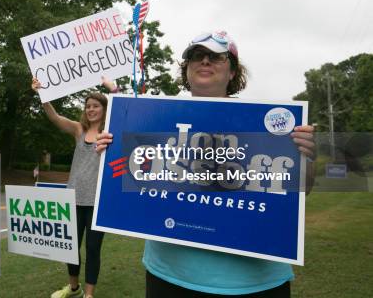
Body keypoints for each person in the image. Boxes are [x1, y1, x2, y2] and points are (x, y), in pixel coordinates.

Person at [96, 31, 316, 298]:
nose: (205, 62)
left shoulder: (266, 125)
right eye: (197, 56)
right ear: (186, 70)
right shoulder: (155, 120)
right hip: (170, 274)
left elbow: (300, 190)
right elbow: (126, 177)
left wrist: (305, 157)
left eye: (216, 57)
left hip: (253, 280)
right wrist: (111, 149)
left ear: (233, 72)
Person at [32, 77, 114, 298]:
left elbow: (127, 111)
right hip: (73, 199)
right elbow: (55, 118)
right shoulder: (79, 130)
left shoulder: (111, 132)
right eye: (87, 106)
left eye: (96, 106)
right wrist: (43, 95)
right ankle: (74, 287)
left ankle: (89, 294)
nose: (90, 110)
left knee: (93, 249)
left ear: (105, 109)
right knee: (70, 247)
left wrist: (114, 89)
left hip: (97, 202)